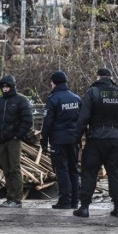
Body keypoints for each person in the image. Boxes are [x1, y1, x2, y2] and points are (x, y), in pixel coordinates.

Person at [73, 68, 118, 218]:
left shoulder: (92, 92)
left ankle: (85, 207)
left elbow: (83, 119)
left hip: (95, 139)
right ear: (110, 77)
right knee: (114, 173)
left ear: (98, 77)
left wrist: (76, 139)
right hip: (114, 139)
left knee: (89, 173)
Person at [40, 71, 82, 209]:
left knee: (61, 169)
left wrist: (43, 140)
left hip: (58, 140)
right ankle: (75, 200)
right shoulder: (76, 98)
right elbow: (82, 120)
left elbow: (47, 122)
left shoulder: (53, 99)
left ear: (55, 82)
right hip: (73, 139)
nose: (50, 84)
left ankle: (65, 200)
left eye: (51, 82)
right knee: (73, 169)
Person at [0, 75, 33, 208]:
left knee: (14, 168)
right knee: (6, 169)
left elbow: (28, 120)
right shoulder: (0, 101)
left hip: (13, 140)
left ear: (12, 86)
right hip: (2, 140)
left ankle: (17, 199)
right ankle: (10, 196)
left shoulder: (21, 100)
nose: (5, 89)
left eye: (7, 86)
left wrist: (18, 135)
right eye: (3, 87)